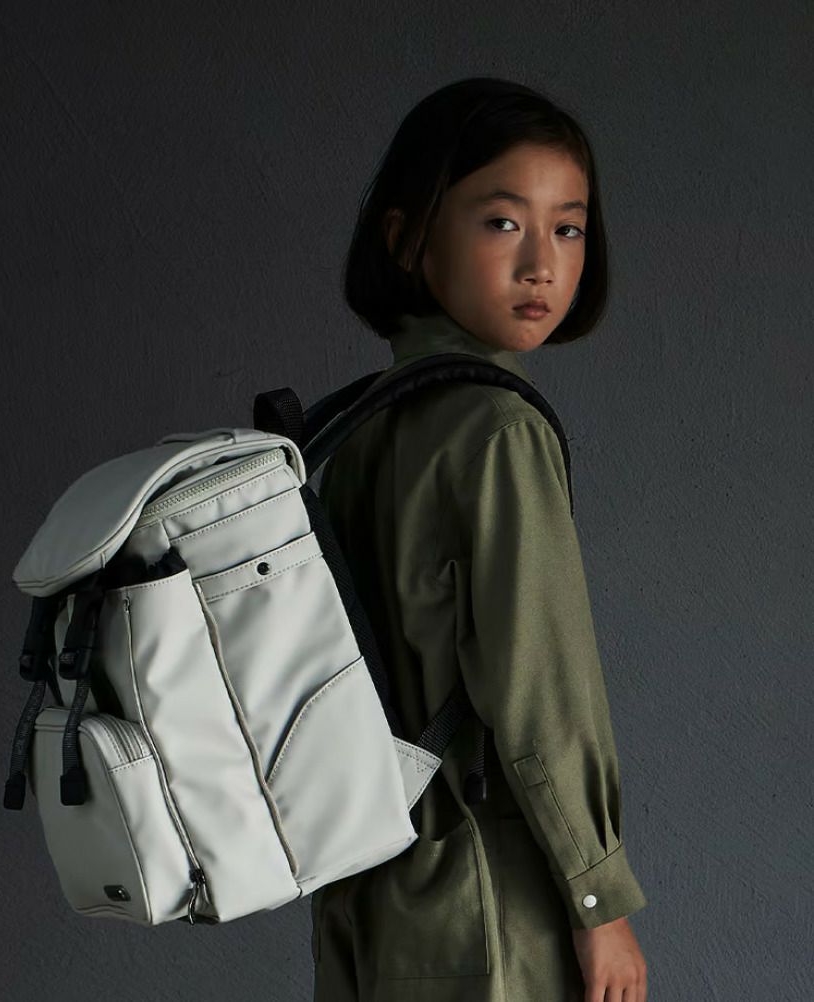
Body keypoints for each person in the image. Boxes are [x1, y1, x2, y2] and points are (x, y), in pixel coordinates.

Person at [309, 77, 649, 1002]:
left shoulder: (351, 435)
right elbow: (539, 689)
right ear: (406, 238)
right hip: (490, 900)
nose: (542, 263)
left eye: (568, 228)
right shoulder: (500, 431)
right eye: (503, 222)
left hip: (364, 890)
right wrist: (598, 900)